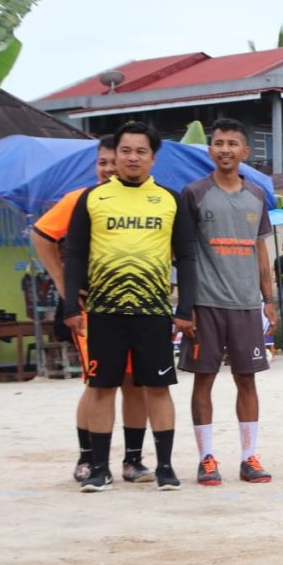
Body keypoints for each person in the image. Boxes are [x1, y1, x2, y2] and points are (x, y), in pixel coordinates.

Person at [63, 122, 198, 492]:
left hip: (153, 312)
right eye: (125, 151)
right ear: (115, 155)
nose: (132, 157)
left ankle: (166, 467)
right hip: (104, 313)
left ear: (153, 158)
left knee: (157, 388)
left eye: (141, 151)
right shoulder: (92, 198)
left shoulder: (171, 199)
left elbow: (187, 256)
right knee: (102, 388)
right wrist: (69, 303)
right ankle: (99, 469)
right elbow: (73, 254)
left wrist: (185, 307)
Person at [34, 136, 155, 484]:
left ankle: (133, 460)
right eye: (100, 162)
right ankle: (87, 459)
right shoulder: (80, 200)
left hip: (137, 305)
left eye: (110, 162)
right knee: (98, 383)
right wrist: (62, 283)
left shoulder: (142, 199)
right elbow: (42, 235)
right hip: (93, 307)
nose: (106, 168)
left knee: (135, 382)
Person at [178, 118, 276, 485]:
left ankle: (249, 456)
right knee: (203, 380)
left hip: (246, 305)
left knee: (246, 380)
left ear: (244, 152)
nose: (225, 150)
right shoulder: (193, 193)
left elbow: (261, 251)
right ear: (210, 149)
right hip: (205, 304)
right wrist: (184, 307)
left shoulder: (256, 195)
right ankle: (206, 459)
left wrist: (268, 301)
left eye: (233, 144)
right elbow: (184, 252)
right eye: (219, 143)